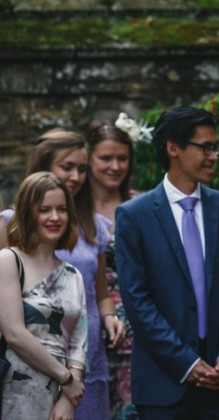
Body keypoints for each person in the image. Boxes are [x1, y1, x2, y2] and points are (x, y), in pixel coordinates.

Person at [115, 106, 219, 419]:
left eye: (215, 147)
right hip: (163, 385)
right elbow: (137, 302)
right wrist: (186, 363)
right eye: (205, 147)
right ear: (172, 148)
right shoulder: (134, 216)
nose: (213, 156)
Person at [0, 128, 126, 420]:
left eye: (82, 168)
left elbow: (100, 295)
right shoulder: (9, 227)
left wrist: (109, 318)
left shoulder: (92, 228)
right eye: (66, 167)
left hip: (84, 352)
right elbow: (11, 323)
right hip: (25, 362)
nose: (76, 176)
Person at [0, 171, 86, 419]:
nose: (55, 217)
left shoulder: (73, 275)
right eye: (44, 209)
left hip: (61, 396)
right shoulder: (9, 260)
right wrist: (66, 378)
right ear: (28, 213)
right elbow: (14, 334)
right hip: (14, 388)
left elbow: (80, 342)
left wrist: (69, 397)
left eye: (61, 209)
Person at [84, 117, 137, 419]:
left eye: (122, 158)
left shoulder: (141, 204)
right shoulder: (69, 211)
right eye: (106, 158)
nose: (115, 166)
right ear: (89, 159)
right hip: (87, 323)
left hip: (136, 332)